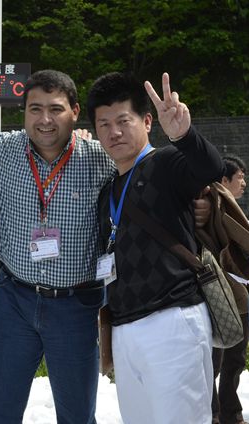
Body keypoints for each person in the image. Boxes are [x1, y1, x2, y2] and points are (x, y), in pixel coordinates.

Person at [0, 69, 213, 424]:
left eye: (56, 109)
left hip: (76, 305)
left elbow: (162, 174)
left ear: (74, 113)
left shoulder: (101, 156)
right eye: (35, 109)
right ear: (24, 112)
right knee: (0, 412)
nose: (45, 120)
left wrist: (201, 199)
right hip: (14, 301)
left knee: (77, 416)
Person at [88, 72, 224, 423]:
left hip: (172, 321)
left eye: (123, 121)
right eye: (104, 124)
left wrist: (184, 135)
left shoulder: (165, 163)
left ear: (147, 121)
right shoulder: (108, 190)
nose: (114, 132)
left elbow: (210, 167)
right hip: (124, 328)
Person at [212, 154, 249, 424]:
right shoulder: (215, 207)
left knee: (235, 359)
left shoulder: (232, 207)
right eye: (240, 177)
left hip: (239, 295)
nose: (244, 183)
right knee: (215, 361)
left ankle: (230, 413)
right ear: (224, 180)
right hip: (221, 295)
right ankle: (214, 415)